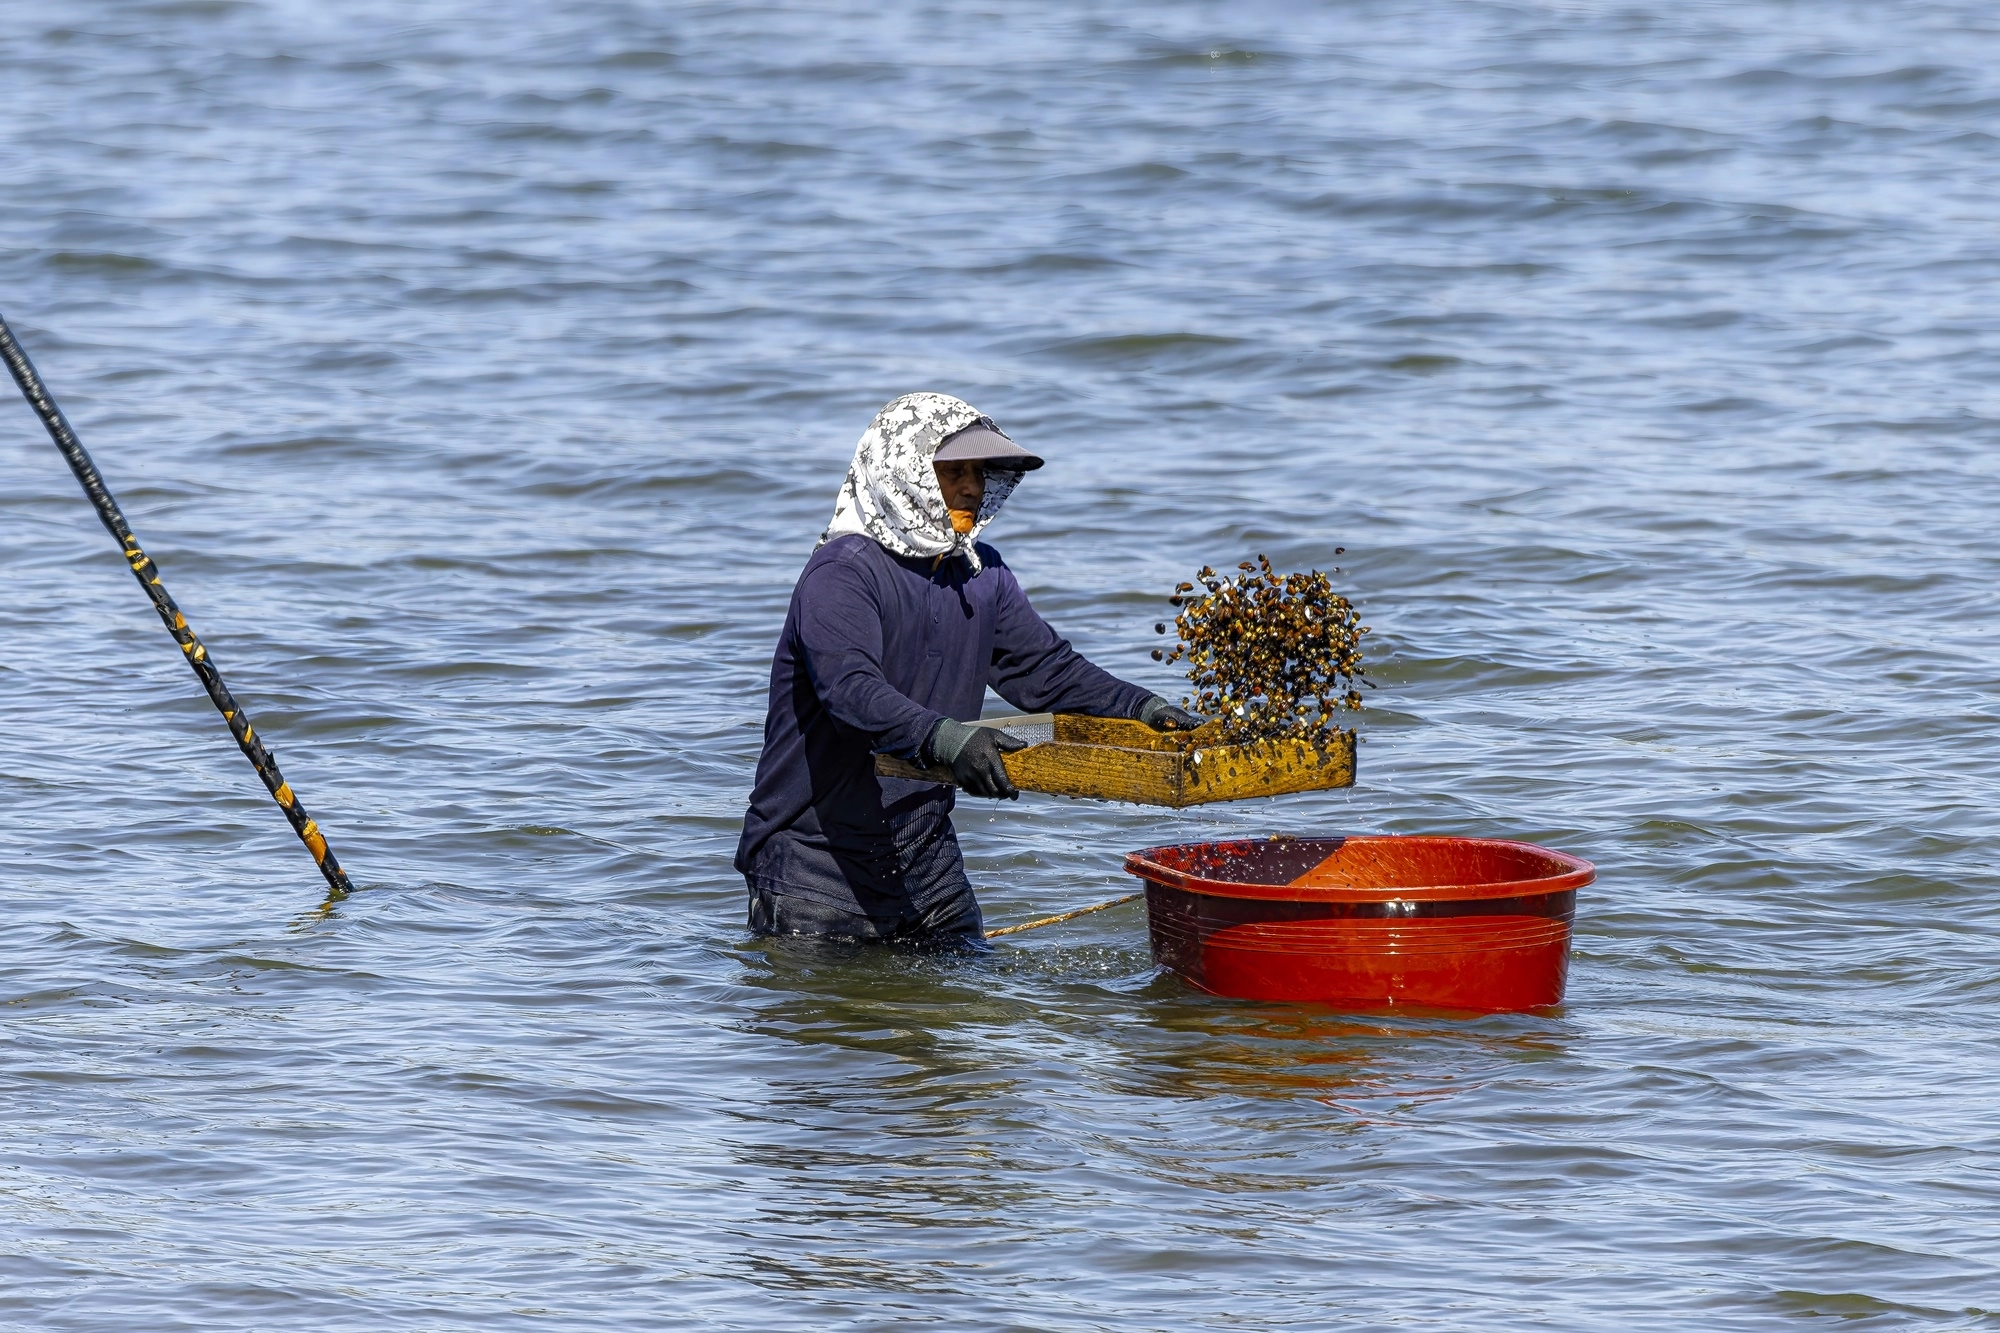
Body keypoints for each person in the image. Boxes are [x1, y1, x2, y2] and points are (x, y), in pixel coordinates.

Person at [736, 392, 1202, 948]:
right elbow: (851, 691)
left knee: (968, 996)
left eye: (979, 473)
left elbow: (1046, 670)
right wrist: (947, 739)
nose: (973, 488)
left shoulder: (982, 574)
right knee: (845, 1008)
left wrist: (1141, 708)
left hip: (927, 856)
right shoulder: (843, 573)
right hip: (816, 865)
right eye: (953, 472)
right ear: (902, 475)